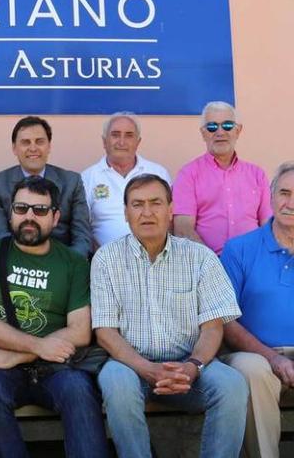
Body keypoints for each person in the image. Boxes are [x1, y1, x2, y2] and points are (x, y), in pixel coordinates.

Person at [91, 174, 247, 458]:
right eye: (137, 204)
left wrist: (192, 366)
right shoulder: (106, 258)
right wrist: (145, 368)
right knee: (115, 380)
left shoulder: (201, 257)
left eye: (156, 203)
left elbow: (212, 327)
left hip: (190, 366)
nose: (147, 212)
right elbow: (105, 331)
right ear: (126, 213)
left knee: (232, 385)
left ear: (170, 209)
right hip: (132, 366)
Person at [0, 176, 108, 458]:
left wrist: (22, 354)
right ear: (10, 213)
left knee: (79, 390)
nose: (29, 217)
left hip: (56, 367)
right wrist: (39, 346)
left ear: (56, 217)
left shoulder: (73, 262)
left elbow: (80, 331)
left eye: (40, 210)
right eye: (21, 209)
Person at [220, 161, 294, 458]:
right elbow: (225, 318)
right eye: (284, 193)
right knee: (254, 371)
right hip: (254, 355)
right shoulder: (239, 249)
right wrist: (274, 358)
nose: (290, 203)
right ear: (271, 196)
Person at [173, 101, 272, 255]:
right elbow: (183, 229)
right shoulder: (188, 174)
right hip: (207, 264)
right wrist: (211, 264)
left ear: (238, 130)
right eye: (212, 127)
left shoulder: (257, 174)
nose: (220, 132)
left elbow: (269, 226)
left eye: (227, 125)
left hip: (253, 261)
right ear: (203, 133)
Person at [0, 116, 91, 257]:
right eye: (25, 142)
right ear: (14, 148)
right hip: (17, 264)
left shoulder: (72, 182)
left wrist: (70, 266)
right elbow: (1, 236)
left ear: (49, 146)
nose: (33, 148)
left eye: (39, 142)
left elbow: (82, 237)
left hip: (63, 263)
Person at [80, 112, 171, 248]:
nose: (122, 142)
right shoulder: (87, 178)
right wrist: (102, 257)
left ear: (138, 142)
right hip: (105, 259)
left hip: (153, 256)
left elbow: (169, 219)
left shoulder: (158, 173)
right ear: (104, 141)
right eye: (115, 135)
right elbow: (82, 227)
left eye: (129, 135)